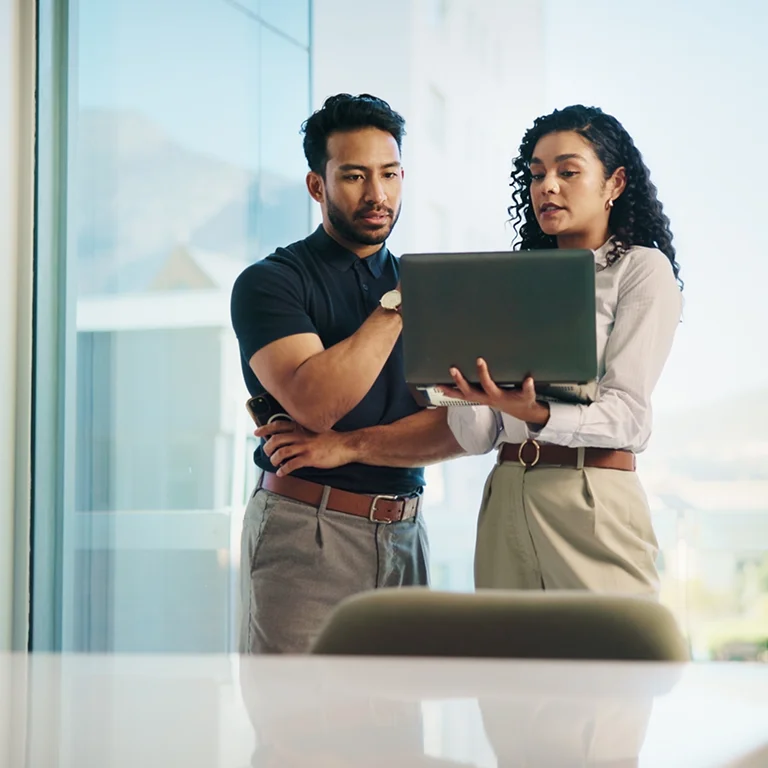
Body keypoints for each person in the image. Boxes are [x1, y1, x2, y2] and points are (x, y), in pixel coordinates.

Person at [260, 104, 682, 597]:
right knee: (508, 669)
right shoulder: (510, 281)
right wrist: (455, 393)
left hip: (591, 494)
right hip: (507, 492)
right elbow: (482, 432)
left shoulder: (640, 270)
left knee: (613, 665)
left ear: (614, 183)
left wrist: (539, 412)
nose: (548, 186)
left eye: (568, 172)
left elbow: (630, 416)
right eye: (538, 174)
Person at [230, 93, 462, 654]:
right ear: (318, 186)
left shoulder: (429, 285)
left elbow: (455, 430)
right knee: (300, 731)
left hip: (407, 532)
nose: (377, 195)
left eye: (390, 174)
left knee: (397, 734)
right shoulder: (271, 283)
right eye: (355, 176)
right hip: (307, 531)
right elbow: (317, 403)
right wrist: (402, 303)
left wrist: (347, 447)